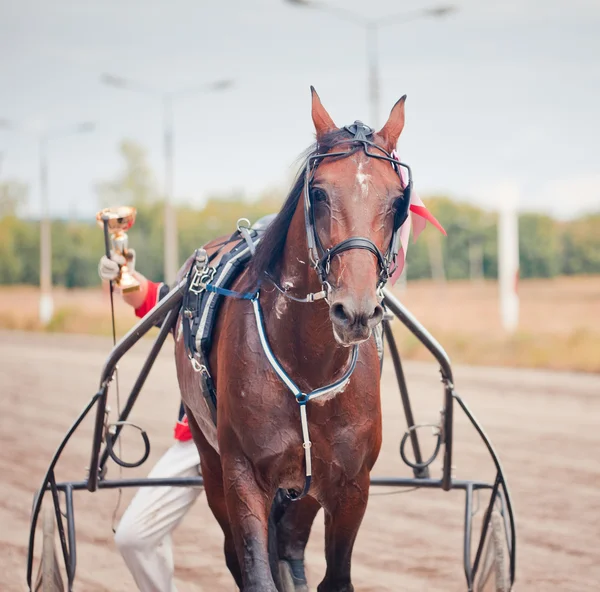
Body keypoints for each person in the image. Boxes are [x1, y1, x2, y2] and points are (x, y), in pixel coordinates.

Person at [99, 250, 204, 592]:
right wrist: (123, 275)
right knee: (133, 538)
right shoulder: (202, 298)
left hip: (260, 454)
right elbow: (147, 295)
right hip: (199, 442)